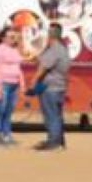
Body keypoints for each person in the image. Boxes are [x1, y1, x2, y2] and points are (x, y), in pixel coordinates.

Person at [32, 22, 70, 151]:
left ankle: (53, 143)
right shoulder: (63, 49)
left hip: (50, 88)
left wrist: (34, 81)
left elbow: (43, 67)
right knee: (57, 116)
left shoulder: (54, 50)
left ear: (50, 36)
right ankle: (59, 141)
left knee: (51, 116)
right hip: (60, 87)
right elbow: (41, 60)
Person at [0, 26, 23, 146]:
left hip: (14, 84)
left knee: (9, 110)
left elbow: (18, 67)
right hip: (3, 83)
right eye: (11, 37)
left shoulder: (15, 50)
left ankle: (7, 133)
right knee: (1, 109)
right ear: (3, 38)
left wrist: (22, 83)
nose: (13, 39)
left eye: (14, 37)